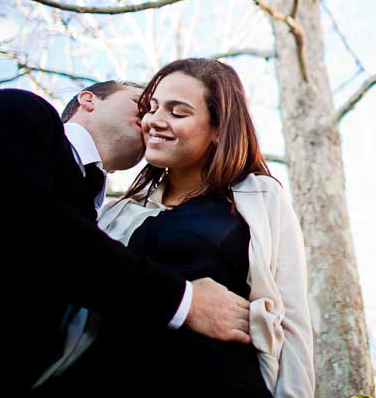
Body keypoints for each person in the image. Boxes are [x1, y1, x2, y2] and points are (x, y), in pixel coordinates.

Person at [0, 81, 250, 393]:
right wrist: (182, 300)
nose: (150, 120)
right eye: (143, 104)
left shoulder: (103, 221)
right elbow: (28, 223)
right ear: (88, 99)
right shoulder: (20, 114)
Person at [48, 59, 314, 397]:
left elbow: (291, 321)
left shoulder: (259, 197)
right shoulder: (117, 213)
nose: (154, 121)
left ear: (218, 129)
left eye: (178, 112)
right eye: (152, 108)